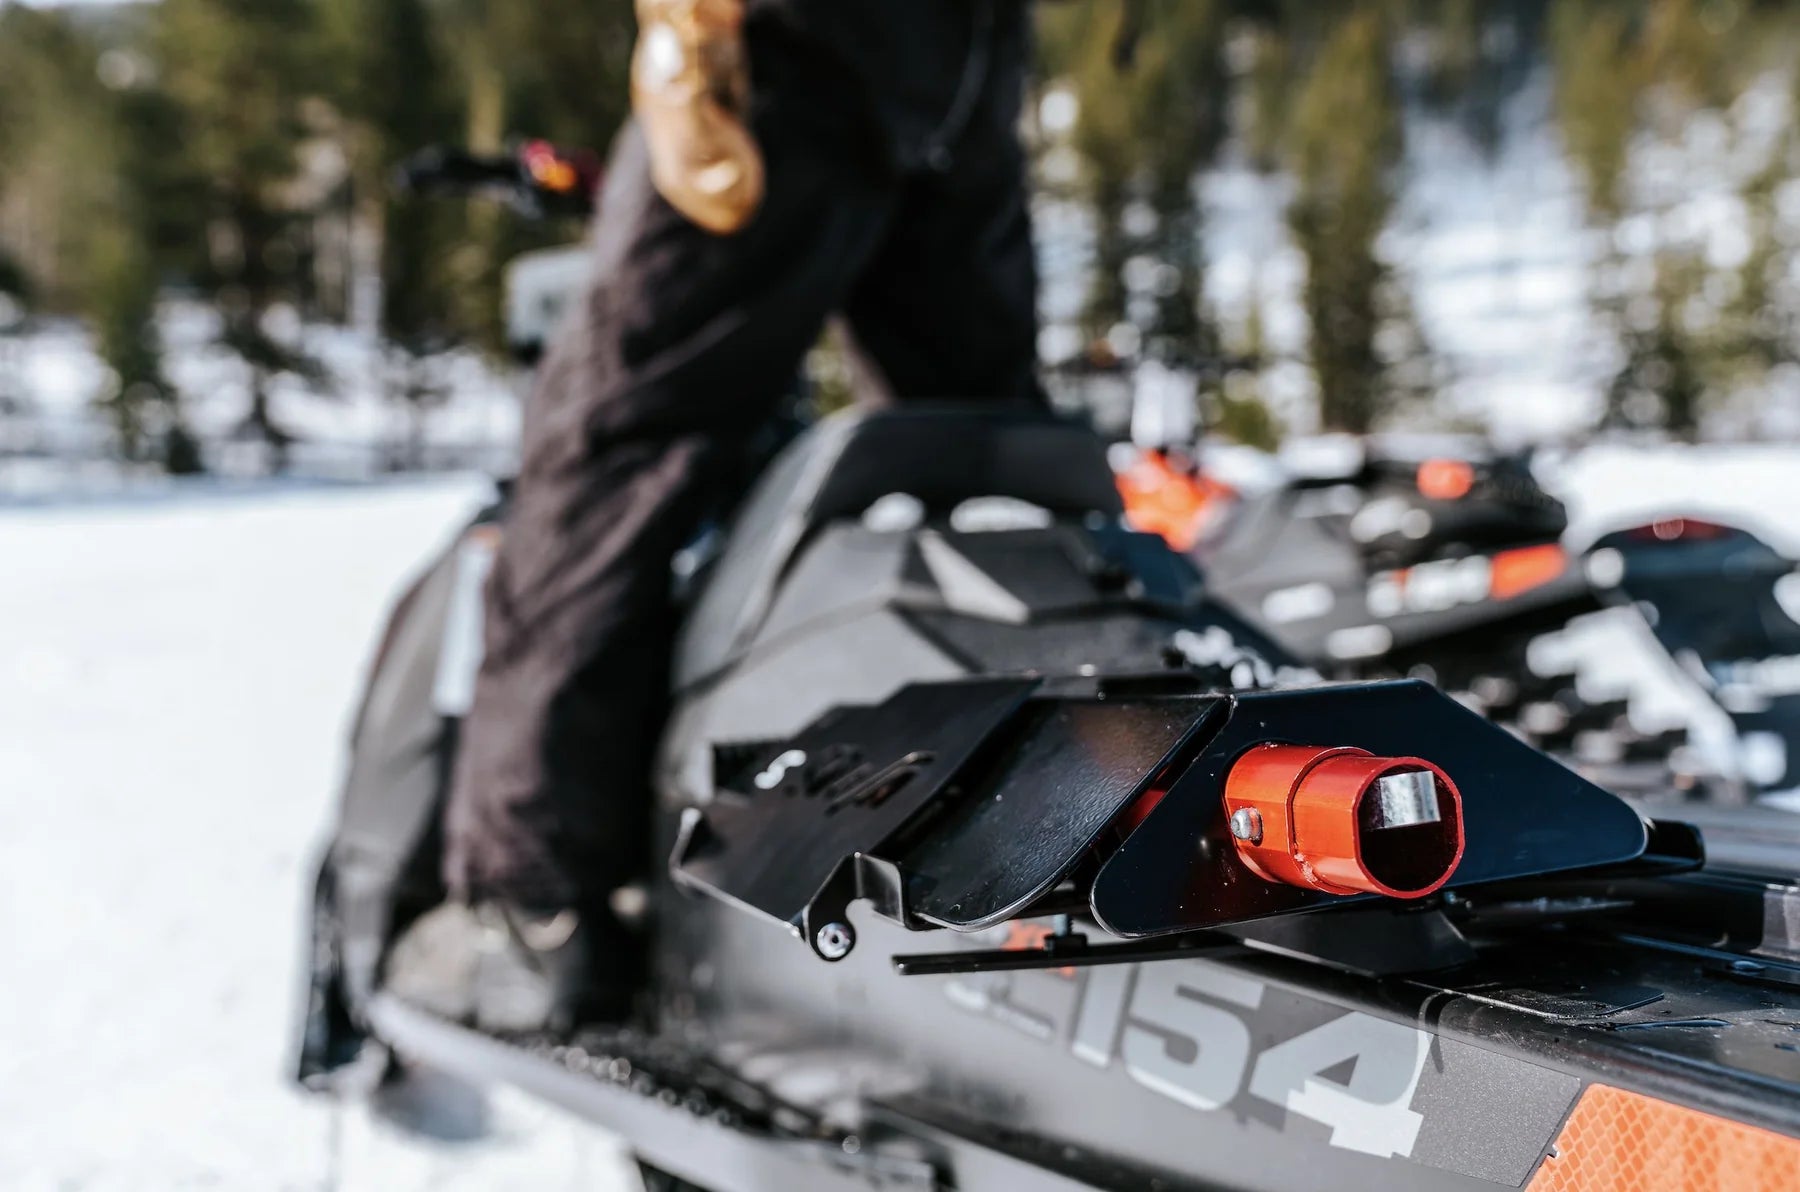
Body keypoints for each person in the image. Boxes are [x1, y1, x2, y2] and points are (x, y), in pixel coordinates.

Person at [385, 0, 1045, 1032]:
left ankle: (532, 907)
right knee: (989, 448)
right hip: (965, 61)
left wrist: (686, 37)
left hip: (789, 50)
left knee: (612, 447)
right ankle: (1059, 799)